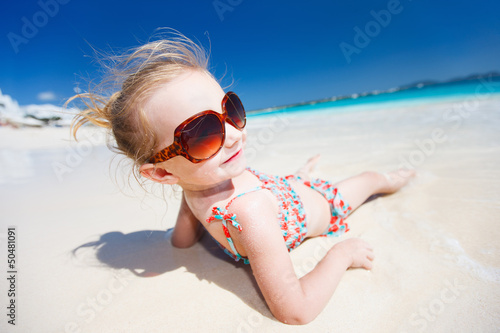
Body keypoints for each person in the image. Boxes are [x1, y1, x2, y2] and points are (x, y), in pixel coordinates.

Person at [70, 32, 415, 325]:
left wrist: (180, 236)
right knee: (369, 178)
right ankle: (389, 178)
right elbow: (296, 311)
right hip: (325, 205)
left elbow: (182, 241)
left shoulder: (193, 182)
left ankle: (313, 177)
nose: (233, 134)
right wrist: (341, 255)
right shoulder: (250, 213)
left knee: (309, 181)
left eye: (230, 110)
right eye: (203, 134)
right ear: (162, 172)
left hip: (286, 192)